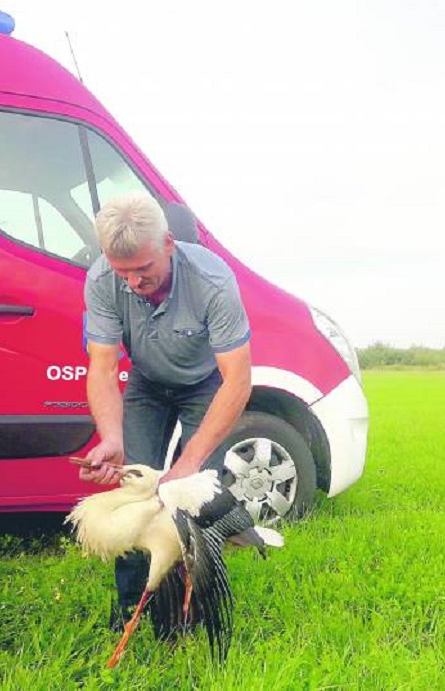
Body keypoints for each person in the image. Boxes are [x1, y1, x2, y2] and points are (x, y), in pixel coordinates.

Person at [78, 191, 252, 626]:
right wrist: (112, 439)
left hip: (204, 385)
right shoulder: (101, 280)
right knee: (136, 495)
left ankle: (193, 609)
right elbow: (102, 367)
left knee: (188, 497)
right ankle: (131, 608)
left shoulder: (213, 281)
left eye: (144, 269)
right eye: (124, 272)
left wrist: (189, 462)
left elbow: (238, 379)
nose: (134, 283)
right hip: (147, 383)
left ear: (169, 244)